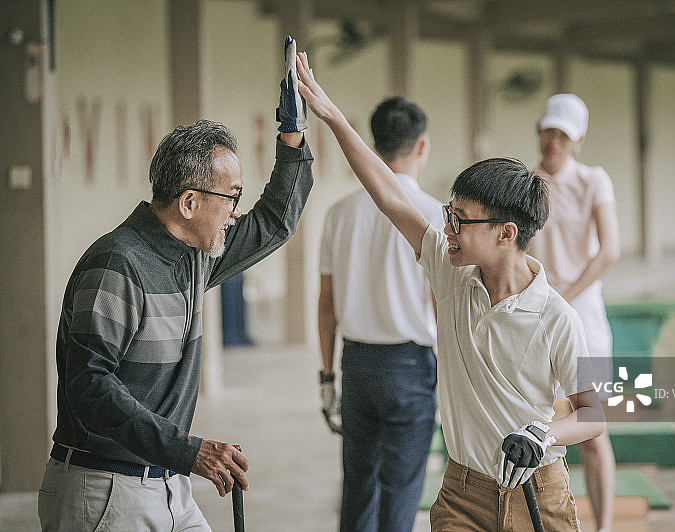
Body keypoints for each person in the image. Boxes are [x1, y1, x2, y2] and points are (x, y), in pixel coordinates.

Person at [296, 52, 605, 531]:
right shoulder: (448, 269)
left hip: (538, 493)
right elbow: (388, 193)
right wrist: (334, 118)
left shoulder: (558, 317)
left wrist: (544, 434)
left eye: (462, 220)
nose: (449, 228)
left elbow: (592, 412)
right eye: (449, 215)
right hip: (462, 495)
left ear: (506, 232)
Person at [38, 37, 313, 531]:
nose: (235, 213)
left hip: (168, 485)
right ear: (188, 203)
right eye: (231, 197)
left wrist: (291, 137)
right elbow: (90, 386)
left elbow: (273, 223)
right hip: (104, 491)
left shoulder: (194, 256)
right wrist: (189, 451)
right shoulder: (116, 265)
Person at [318, 96, 443, 531]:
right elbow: (440, 305)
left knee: (357, 484)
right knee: (402, 489)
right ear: (422, 146)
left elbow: (327, 303)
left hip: (356, 364)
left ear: (372, 141)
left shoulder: (338, 214)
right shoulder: (434, 216)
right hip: (409, 364)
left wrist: (326, 376)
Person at [528, 93, 621, 532]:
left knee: (593, 429)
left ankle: (602, 528)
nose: (554, 140)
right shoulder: (525, 182)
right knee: (541, 427)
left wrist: (565, 292)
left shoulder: (593, 180)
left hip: (583, 314)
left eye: (563, 134)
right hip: (537, 316)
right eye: (549, 130)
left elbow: (610, 250)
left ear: (578, 140)